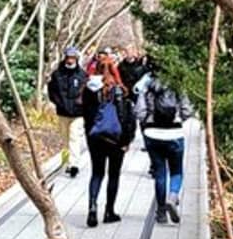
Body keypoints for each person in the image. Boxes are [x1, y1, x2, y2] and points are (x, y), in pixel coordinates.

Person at [82, 58, 136, 227]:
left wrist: (89, 134)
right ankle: (109, 211)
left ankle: (92, 207)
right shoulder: (119, 90)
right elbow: (126, 117)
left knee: (97, 173)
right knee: (113, 174)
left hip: (95, 137)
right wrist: (127, 140)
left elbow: (85, 114)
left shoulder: (88, 89)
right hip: (115, 139)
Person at [134, 73, 194, 224]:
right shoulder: (177, 86)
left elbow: (139, 112)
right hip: (175, 134)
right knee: (176, 170)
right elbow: (187, 111)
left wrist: (148, 121)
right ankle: (172, 197)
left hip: (152, 134)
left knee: (160, 173)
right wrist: (178, 119)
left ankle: (161, 212)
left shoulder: (147, 85)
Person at [48, 47, 87, 178]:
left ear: (76, 58)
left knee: (74, 137)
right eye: (68, 57)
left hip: (78, 113)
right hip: (62, 112)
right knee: (65, 139)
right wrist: (59, 103)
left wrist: (82, 104)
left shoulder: (82, 75)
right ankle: (66, 162)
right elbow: (52, 92)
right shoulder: (57, 74)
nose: (70, 60)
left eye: (73, 57)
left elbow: (86, 93)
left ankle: (73, 165)